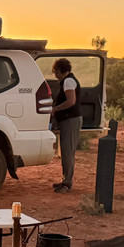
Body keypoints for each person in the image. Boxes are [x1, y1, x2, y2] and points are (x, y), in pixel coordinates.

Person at [50, 58, 81, 192]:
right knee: (67, 151)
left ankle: (67, 183)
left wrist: (55, 109)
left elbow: (71, 101)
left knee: (68, 151)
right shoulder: (68, 80)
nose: (55, 75)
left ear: (60, 71)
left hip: (70, 119)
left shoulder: (68, 81)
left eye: (55, 72)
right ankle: (65, 180)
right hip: (69, 119)